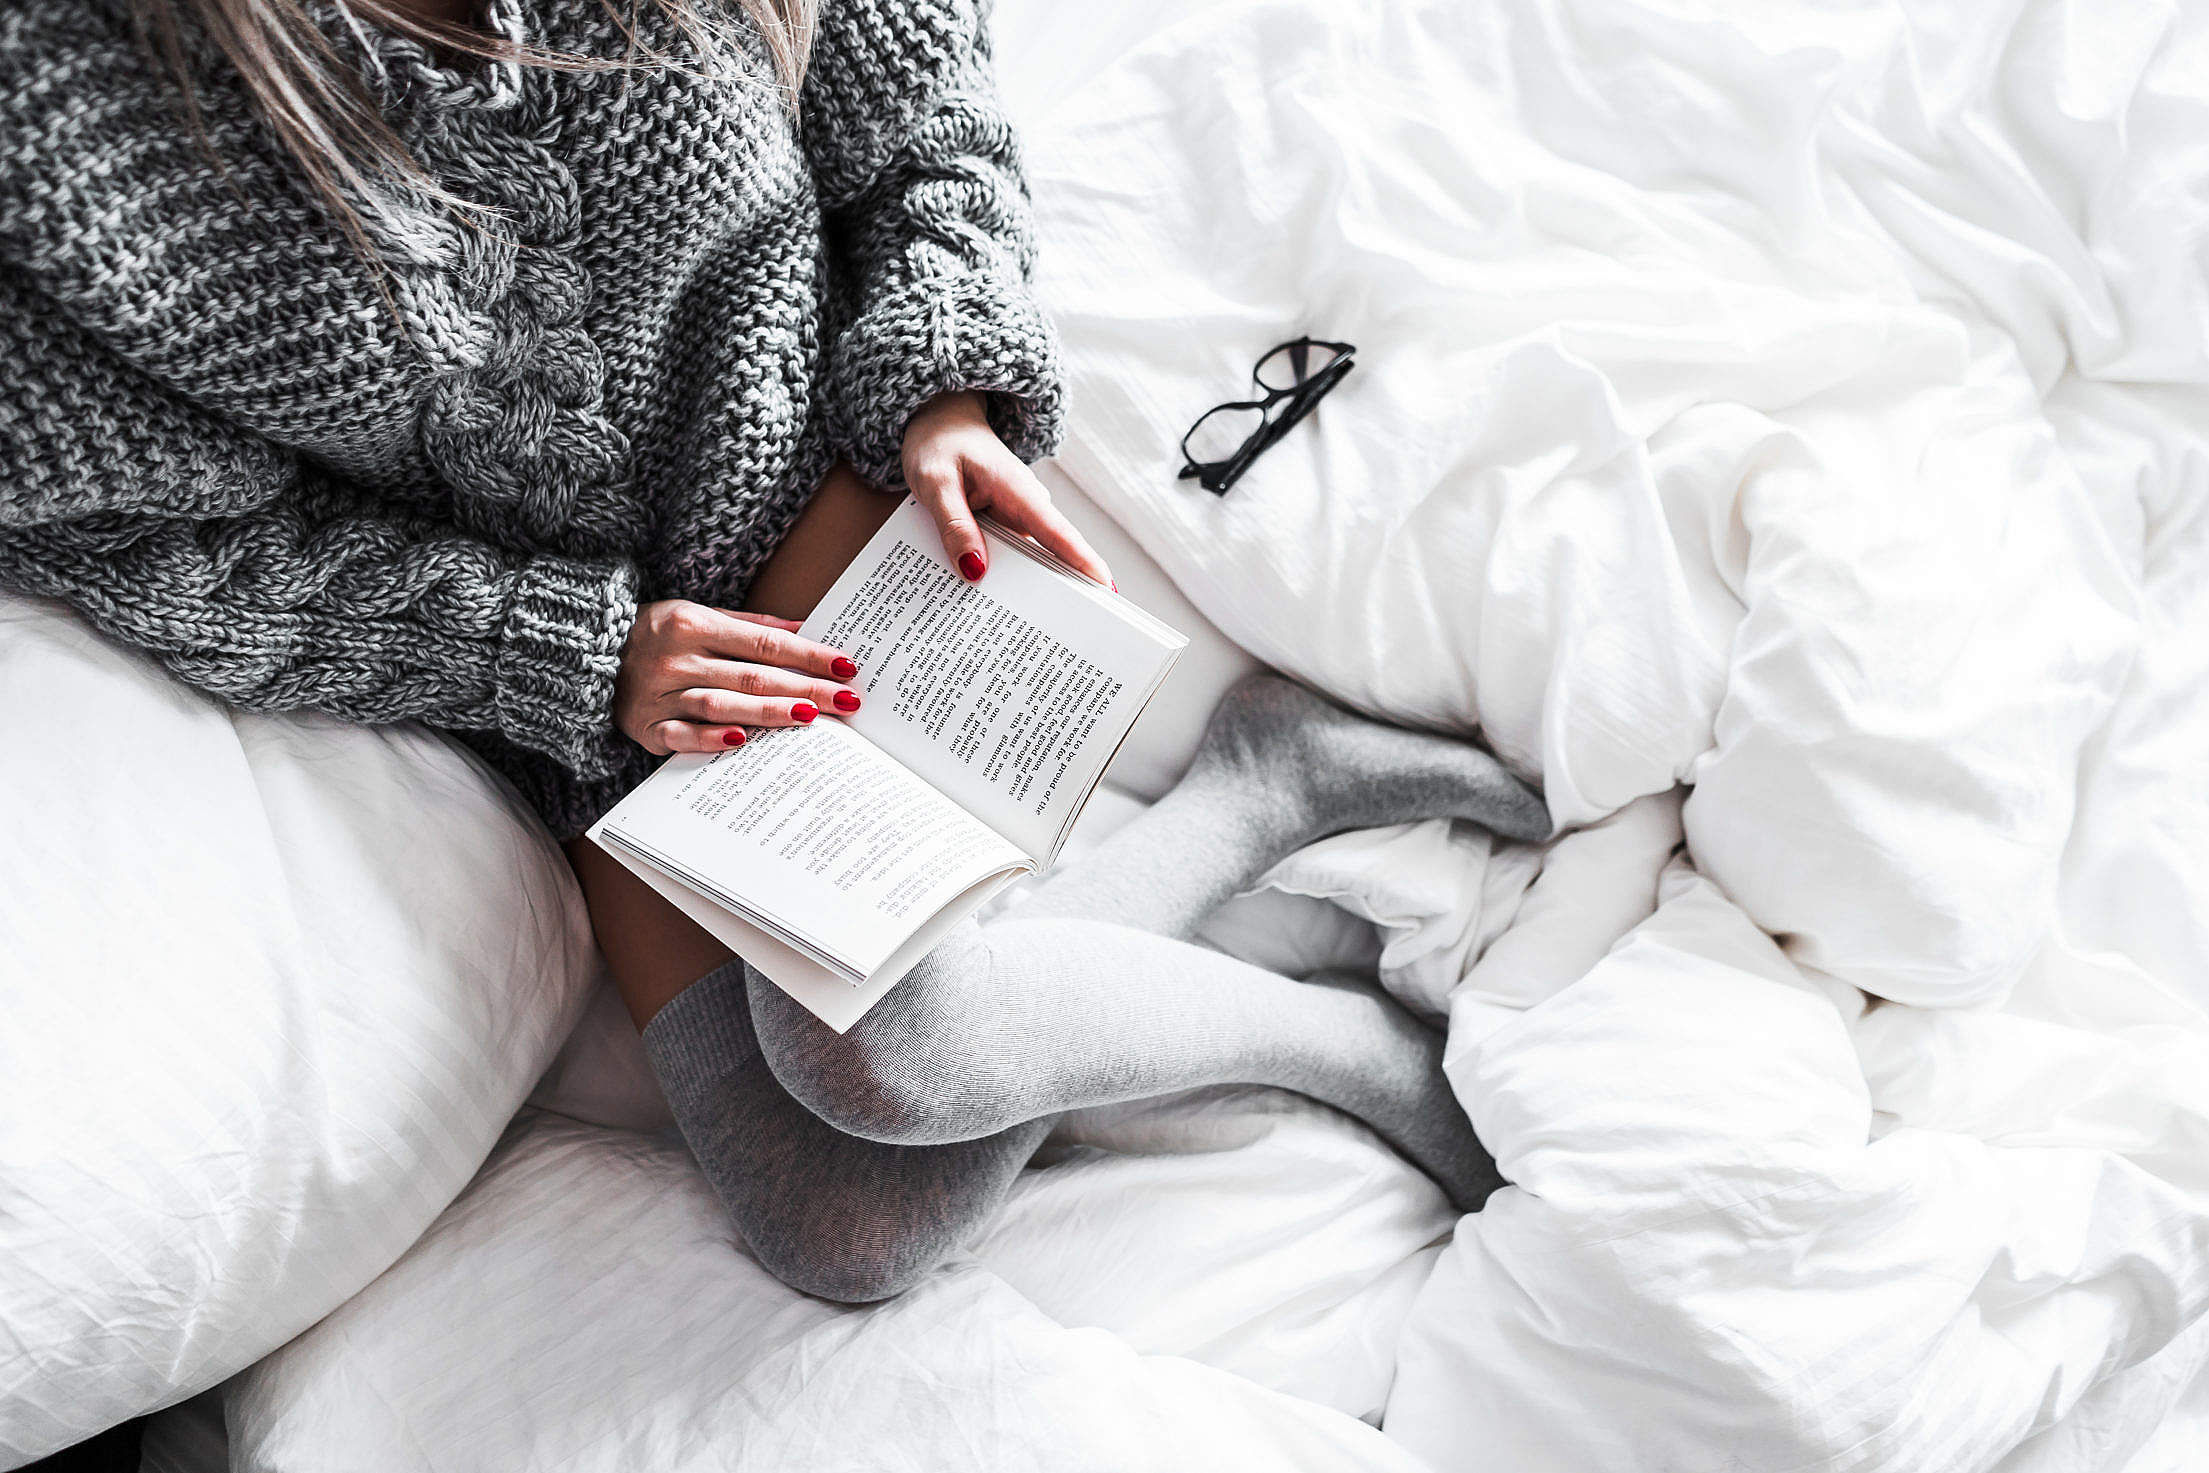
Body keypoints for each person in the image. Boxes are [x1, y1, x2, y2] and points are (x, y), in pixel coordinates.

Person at [0, 0, 1551, 1302]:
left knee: (887, 1051)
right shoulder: (51, 106)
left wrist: (944, 354)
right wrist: (558, 653)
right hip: (605, 663)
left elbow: (904, 33)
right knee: (844, 1229)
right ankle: (1259, 795)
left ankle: (1355, 1057)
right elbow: (142, 538)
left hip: (820, 455)